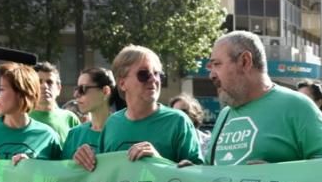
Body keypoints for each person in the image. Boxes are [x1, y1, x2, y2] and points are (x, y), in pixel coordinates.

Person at [198, 31, 322, 166]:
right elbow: (210, 168)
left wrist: (277, 176)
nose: (211, 75)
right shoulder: (224, 115)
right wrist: (192, 173)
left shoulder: (297, 106)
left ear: (245, 61)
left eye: (217, 64)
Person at [72, 46, 202, 171]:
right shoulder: (112, 123)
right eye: (144, 74)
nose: (153, 79)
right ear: (122, 83)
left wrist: (160, 162)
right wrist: (84, 160)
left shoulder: (178, 121)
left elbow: (196, 174)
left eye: (157, 74)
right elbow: (101, 174)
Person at [61, 67, 116, 159]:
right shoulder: (75, 135)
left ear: (105, 91)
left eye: (83, 89)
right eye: (76, 89)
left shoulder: (123, 131)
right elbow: (63, 171)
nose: (76, 95)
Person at [29, 61, 81, 145]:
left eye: (49, 82)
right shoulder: (22, 118)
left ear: (59, 88)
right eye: (39, 82)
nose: (44, 86)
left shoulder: (70, 119)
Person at [168, 92, 211, 158]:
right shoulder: (166, 143)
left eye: (184, 111)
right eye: (174, 113)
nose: (179, 116)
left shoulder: (209, 142)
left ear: (195, 114)